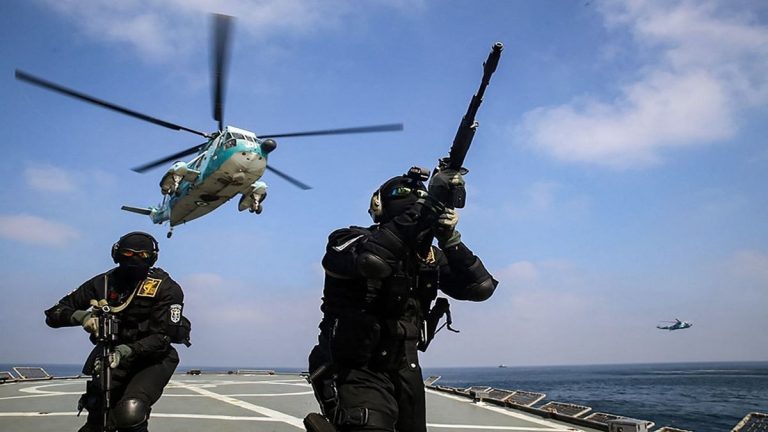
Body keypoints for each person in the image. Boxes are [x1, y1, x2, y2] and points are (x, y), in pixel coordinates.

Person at [306, 167, 498, 432]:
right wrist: (427, 207)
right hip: (356, 365)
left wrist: (451, 241)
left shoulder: (429, 257)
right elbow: (373, 260)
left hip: (405, 366)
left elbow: (480, 287)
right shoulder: (350, 239)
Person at [44, 231, 190, 432]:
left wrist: (126, 351)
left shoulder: (166, 288)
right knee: (98, 416)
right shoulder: (103, 283)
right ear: (117, 254)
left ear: (152, 258)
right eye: (128, 253)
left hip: (152, 359)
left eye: (142, 255)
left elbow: (162, 338)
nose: (134, 259)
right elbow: (54, 313)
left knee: (131, 411)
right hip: (110, 356)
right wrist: (82, 317)